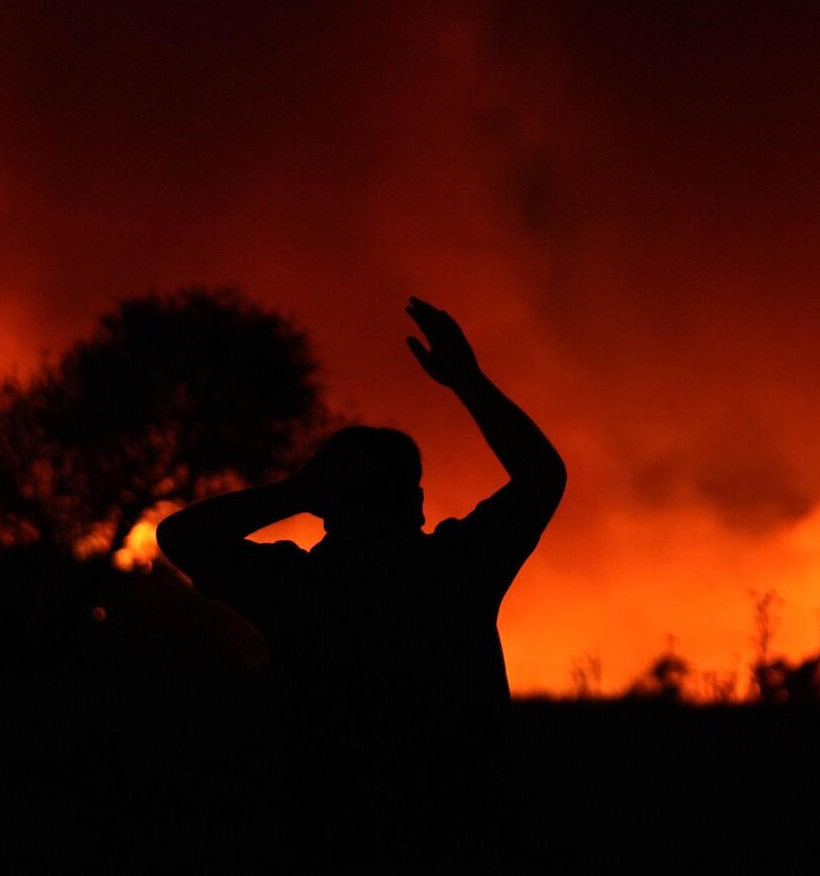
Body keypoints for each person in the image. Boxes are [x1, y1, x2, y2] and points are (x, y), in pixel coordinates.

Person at [157, 296, 565, 858]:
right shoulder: (457, 569)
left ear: (327, 505)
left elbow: (181, 536)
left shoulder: (297, 588)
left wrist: (296, 491)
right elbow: (542, 475)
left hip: (328, 835)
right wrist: (468, 382)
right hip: (459, 835)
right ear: (417, 502)